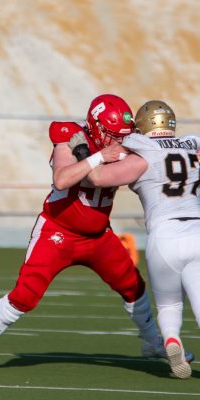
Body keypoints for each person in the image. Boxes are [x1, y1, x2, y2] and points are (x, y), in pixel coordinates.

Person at [0, 94, 177, 372]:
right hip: (58, 232)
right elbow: (61, 179)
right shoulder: (71, 137)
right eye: (112, 135)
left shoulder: (126, 142)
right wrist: (99, 156)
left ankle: (152, 343)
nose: (118, 141)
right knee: (26, 294)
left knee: (133, 286)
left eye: (123, 135)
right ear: (96, 126)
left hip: (98, 235)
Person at [82, 100, 198, 378]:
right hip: (197, 231)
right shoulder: (192, 146)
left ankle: (171, 338)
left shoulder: (139, 152)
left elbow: (97, 177)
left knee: (169, 303)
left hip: (164, 235)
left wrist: (84, 153)